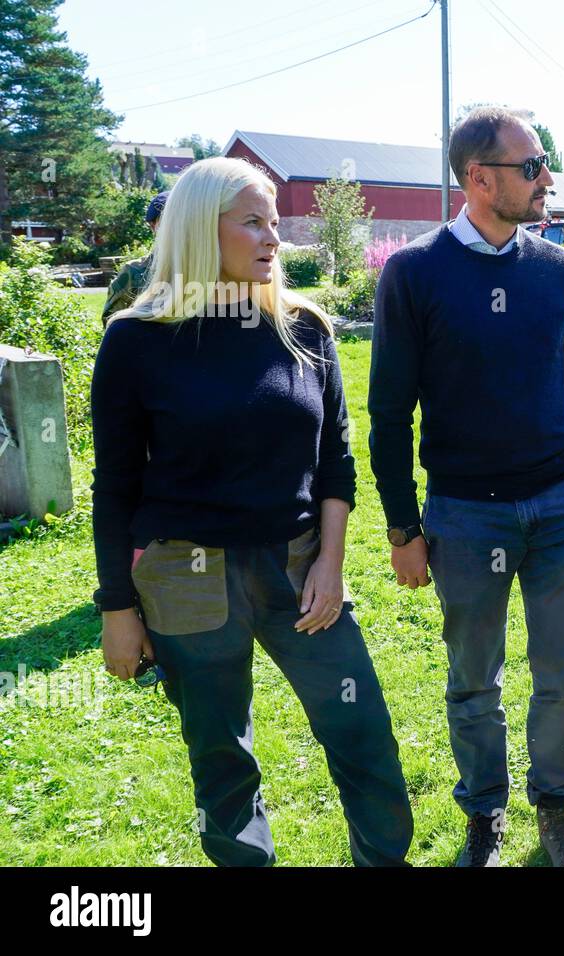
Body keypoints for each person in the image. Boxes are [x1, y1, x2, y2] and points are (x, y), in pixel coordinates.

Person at [92, 157, 413, 867]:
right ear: (200, 230)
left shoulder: (305, 331)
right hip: (186, 579)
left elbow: (336, 463)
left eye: (276, 222)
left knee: (361, 730)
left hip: (300, 570)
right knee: (220, 757)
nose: (274, 238)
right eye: (253, 222)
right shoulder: (136, 341)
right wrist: (117, 607)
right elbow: (113, 487)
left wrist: (331, 565)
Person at [368, 106, 564, 867]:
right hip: (467, 516)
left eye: (544, 163)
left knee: (562, 674)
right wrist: (405, 529)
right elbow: (386, 413)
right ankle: (483, 814)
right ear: (479, 178)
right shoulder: (414, 273)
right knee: (474, 678)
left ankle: (558, 812)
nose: (547, 179)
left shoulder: (559, 269)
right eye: (532, 165)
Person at [101, 190, 168, 325]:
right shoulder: (134, 272)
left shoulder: (207, 267)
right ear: (154, 226)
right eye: (169, 219)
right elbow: (112, 321)